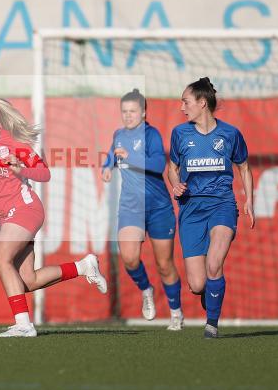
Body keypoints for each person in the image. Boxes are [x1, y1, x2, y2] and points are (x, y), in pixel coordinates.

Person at [0, 97, 107, 338]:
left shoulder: (14, 142)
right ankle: (83, 267)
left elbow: (44, 173)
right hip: (5, 214)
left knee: (0, 259)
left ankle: (23, 325)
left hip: (25, 209)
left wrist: (20, 168)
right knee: (27, 281)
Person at [167, 78, 254, 338]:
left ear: (202, 103)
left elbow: (245, 168)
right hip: (191, 209)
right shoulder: (180, 134)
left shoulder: (230, 134)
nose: (182, 107)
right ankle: (209, 293)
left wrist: (249, 199)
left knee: (215, 264)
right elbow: (172, 169)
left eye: (186, 101)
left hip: (222, 204)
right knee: (196, 284)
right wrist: (176, 185)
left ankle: (211, 324)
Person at [100, 89, 182, 331]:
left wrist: (131, 156)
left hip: (158, 207)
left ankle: (176, 313)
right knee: (129, 257)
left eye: (133, 111)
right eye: (124, 112)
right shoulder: (119, 135)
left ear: (144, 113)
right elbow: (112, 155)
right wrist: (107, 166)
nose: (128, 116)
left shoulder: (151, 135)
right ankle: (146, 290)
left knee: (164, 264)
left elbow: (158, 165)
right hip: (131, 207)